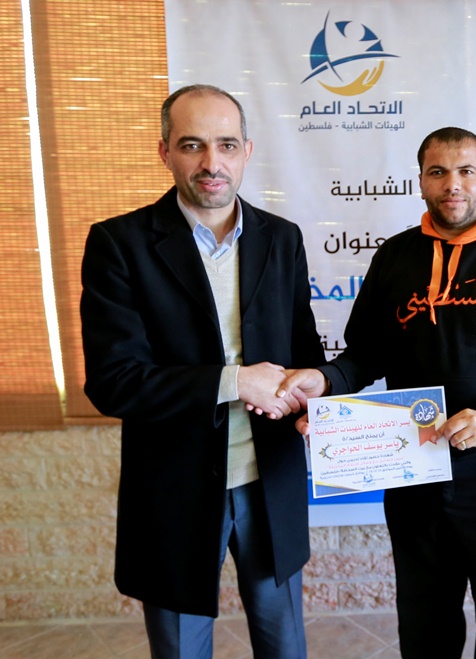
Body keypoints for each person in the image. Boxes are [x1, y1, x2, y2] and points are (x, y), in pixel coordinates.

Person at [277, 127, 476, 658]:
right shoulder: (395, 257)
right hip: (412, 468)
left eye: (465, 171)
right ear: (420, 181)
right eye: (438, 172)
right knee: (423, 625)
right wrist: (324, 382)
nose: (452, 184)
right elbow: (365, 355)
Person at [80, 84, 323, 658]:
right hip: (174, 490)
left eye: (226, 145)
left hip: (270, 479)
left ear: (247, 151)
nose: (212, 162)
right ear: (165, 151)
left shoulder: (282, 238)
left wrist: (310, 392)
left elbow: (303, 351)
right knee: (182, 651)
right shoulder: (119, 244)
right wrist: (234, 381)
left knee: (285, 646)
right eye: (192, 145)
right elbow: (113, 381)